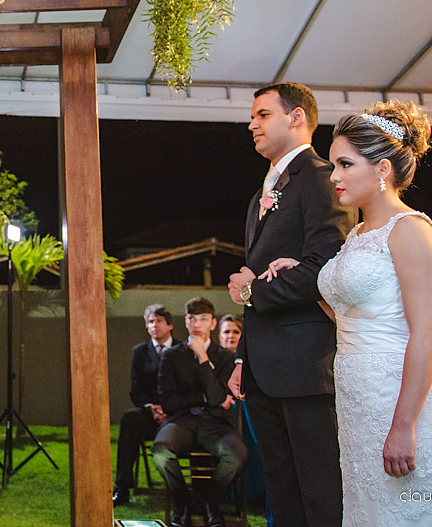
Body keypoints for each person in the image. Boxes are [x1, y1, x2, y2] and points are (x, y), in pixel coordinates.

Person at [309, 101, 432, 526]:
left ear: (383, 169)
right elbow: (358, 313)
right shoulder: (357, 234)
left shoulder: (411, 230)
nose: (334, 176)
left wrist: (404, 424)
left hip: (404, 398)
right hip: (360, 398)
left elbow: (428, 333)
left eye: (344, 164)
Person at [226, 82, 355, 527]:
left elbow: (327, 267)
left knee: (320, 491)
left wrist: (250, 291)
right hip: (264, 368)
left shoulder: (320, 178)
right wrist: (244, 356)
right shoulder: (260, 194)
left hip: (306, 366)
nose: (251, 124)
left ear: (297, 117)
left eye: (262, 114)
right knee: (281, 490)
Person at [153, 298, 246, 527]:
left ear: (213, 323)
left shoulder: (225, 357)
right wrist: (206, 398)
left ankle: (209, 501)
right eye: (192, 318)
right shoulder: (172, 355)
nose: (197, 324)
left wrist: (203, 358)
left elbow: (217, 398)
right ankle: (183, 502)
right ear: (185, 321)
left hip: (215, 424)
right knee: (161, 454)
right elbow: (168, 403)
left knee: (236, 456)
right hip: (181, 421)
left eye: (203, 319)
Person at [114, 304, 178, 506]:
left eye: (158, 321)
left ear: (170, 325)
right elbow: (137, 390)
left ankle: (196, 493)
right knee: (130, 418)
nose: (154, 326)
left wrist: (169, 409)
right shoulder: (140, 352)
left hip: (177, 414)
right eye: (150, 322)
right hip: (151, 414)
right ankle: (122, 488)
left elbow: (188, 388)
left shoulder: (182, 349)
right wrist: (151, 407)